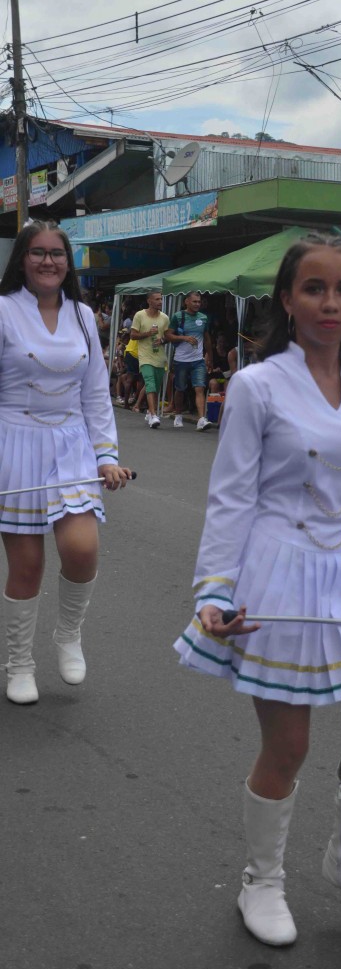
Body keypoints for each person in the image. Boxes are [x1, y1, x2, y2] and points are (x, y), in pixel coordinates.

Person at [173, 233, 341, 947]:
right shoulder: (256, 384)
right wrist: (215, 590)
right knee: (288, 747)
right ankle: (261, 881)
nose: (330, 303)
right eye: (314, 289)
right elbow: (231, 497)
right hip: (275, 571)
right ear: (287, 300)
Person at [0, 220, 131, 705]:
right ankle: (19, 663)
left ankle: (68, 634)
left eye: (57, 253)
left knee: (81, 550)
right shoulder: (2, 311)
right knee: (27, 564)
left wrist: (107, 456)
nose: (48, 261)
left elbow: (96, 392)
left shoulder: (82, 316)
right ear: (22, 259)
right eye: (38, 252)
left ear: (67, 261)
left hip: (72, 443)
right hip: (15, 442)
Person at [166, 290, 213, 431]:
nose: (197, 304)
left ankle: (201, 419)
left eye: (199, 302)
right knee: (180, 388)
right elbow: (168, 335)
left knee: (200, 388)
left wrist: (210, 355)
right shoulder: (178, 316)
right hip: (181, 360)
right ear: (186, 301)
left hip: (198, 360)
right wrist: (184, 338)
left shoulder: (203, 318)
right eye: (194, 301)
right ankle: (178, 414)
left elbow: (206, 337)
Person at [130, 290, 169, 429]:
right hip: (145, 357)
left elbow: (168, 336)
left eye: (161, 299)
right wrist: (148, 334)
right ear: (149, 301)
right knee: (150, 383)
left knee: (156, 386)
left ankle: (149, 411)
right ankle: (153, 415)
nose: (160, 302)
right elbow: (133, 335)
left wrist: (162, 340)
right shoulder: (140, 315)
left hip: (160, 357)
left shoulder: (164, 318)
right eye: (157, 299)